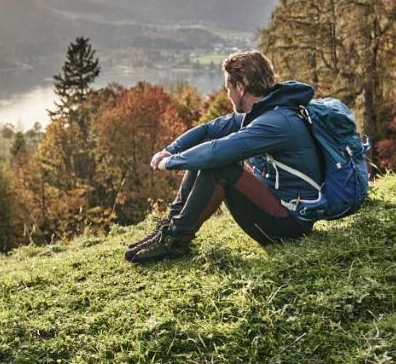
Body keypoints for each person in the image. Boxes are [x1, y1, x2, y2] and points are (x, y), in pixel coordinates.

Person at [125, 50, 323, 264]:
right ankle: (169, 228)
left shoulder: (275, 122)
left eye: (229, 87)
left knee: (218, 166)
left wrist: (171, 163)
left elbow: (216, 152)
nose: (227, 94)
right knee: (206, 156)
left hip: (290, 224)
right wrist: (171, 149)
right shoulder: (264, 111)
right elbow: (210, 129)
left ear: (241, 85)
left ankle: (176, 240)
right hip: (278, 204)